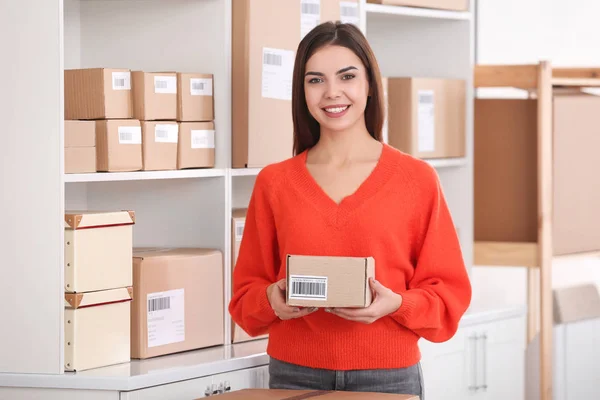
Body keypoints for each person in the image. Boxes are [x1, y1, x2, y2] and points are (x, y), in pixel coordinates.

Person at [228, 21, 472, 397]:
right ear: (302, 91)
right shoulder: (274, 183)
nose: (332, 92)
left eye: (347, 76)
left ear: (370, 85)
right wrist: (272, 300)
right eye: (315, 80)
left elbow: (449, 296)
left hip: (388, 377)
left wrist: (397, 304)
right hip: (294, 374)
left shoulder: (416, 179)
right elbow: (245, 299)